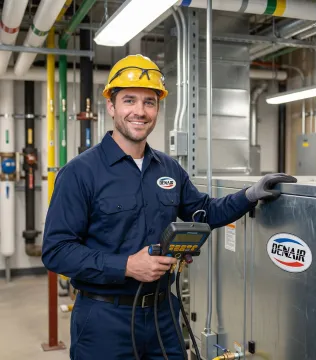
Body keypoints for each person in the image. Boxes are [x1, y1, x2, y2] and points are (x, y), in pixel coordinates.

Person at [42, 54, 297, 360]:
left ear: (158, 108)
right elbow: (56, 250)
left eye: (149, 102)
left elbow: (204, 212)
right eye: (129, 100)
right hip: (104, 320)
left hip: (163, 314)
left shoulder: (168, 169)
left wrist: (249, 195)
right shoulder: (80, 173)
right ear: (111, 106)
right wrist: (126, 265)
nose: (140, 111)